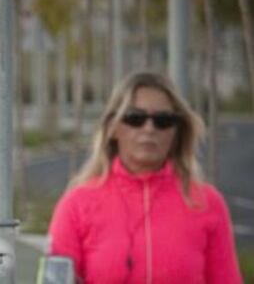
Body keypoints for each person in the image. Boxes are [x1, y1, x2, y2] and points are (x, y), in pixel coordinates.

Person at [48, 72, 242, 284]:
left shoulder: (207, 203)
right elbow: (53, 280)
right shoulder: (77, 204)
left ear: (177, 130)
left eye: (163, 121)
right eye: (135, 118)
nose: (149, 129)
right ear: (113, 127)